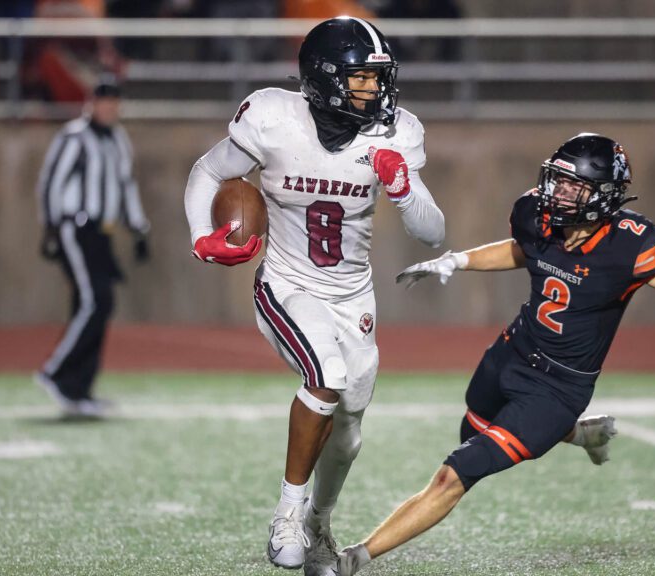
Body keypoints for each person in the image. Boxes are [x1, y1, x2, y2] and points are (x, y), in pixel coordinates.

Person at [336, 133, 655, 575]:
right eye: (558, 180)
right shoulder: (536, 214)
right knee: (470, 427)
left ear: (603, 194)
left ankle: (355, 558)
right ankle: (581, 436)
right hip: (513, 350)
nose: (558, 192)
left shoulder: (630, 245)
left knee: (456, 472)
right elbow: (523, 251)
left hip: (559, 388)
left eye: (573, 186)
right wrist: (457, 261)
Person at [183, 17, 445, 576]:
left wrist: (403, 188)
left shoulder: (395, 132)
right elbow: (207, 173)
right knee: (326, 375)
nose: (375, 89)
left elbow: (433, 232)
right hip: (288, 282)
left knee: (348, 431)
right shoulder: (273, 119)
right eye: (361, 78)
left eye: (378, 77)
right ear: (325, 79)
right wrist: (201, 236)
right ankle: (287, 515)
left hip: (353, 295)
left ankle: (319, 525)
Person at [34, 75, 151, 418]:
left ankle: (77, 388)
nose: (108, 107)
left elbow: (126, 186)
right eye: (103, 100)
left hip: (103, 232)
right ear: (92, 103)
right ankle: (56, 371)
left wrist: (139, 229)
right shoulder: (74, 136)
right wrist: (51, 228)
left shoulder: (118, 139)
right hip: (76, 227)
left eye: (113, 101)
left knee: (96, 303)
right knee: (95, 300)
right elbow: (51, 181)